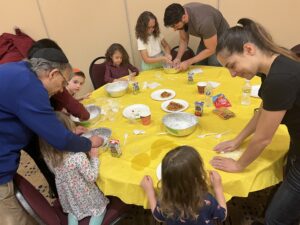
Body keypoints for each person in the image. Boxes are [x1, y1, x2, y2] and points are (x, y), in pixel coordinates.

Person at [210, 18, 300, 225]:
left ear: (249, 49)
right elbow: (263, 110)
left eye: (232, 65)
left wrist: (239, 164)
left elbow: (262, 139)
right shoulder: (275, 64)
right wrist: (237, 139)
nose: (232, 74)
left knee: (275, 218)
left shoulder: (280, 78)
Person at [0, 48, 103, 225]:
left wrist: (68, 131)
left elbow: (43, 125)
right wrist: (89, 143)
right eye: (63, 84)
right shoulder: (29, 86)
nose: (61, 90)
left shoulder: (20, 70)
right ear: (53, 74)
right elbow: (61, 140)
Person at [40, 112, 109, 225]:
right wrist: (94, 158)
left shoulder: (48, 156)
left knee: (73, 213)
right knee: (100, 210)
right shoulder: (78, 156)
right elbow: (91, 177)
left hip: (69, 197)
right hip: (86, 195)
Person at [141, 146, 226, 225]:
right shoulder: (207, 200)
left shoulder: (166, 201)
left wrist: (150, 192)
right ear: (196, 176)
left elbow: (158, 216)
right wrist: (218, 188)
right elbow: (222, 215)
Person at [164, 3, 229, 70]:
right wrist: (178, 58)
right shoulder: (180, 13)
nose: (174, 29)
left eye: (175, 26)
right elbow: (183, 39)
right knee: (200, 63)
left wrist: (188, 62)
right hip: (208, 36)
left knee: (214, 63)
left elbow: (212, 49)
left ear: (184, 17)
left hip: (222, 37)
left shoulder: (203, 22)